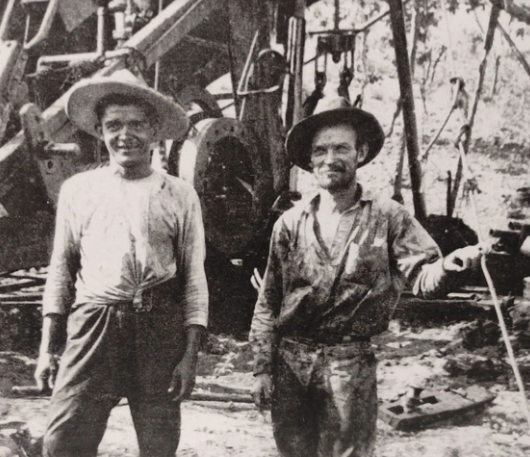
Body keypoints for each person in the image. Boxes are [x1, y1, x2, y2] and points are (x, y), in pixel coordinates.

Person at [249, 97, 482, 457]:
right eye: (320, 150)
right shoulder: (290, 223)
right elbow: (268, 301)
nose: (330, 158)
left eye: (341, 148)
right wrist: (262, 369)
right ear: (310, 160)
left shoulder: (388, 217)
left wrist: (452, 265)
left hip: (349, 365)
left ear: (360, 153)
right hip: (291, 364)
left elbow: (422, 278)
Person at [34, 69, 208, 457]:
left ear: (154, 130)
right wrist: (48, 347)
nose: (125, 135)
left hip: (158, 330)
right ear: (99, 131)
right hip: (94, 325)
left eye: (136, 125)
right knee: (62, 443)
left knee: (159, 445)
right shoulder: (79, 190)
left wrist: (189, 356)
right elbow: (61, 270)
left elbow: (194, 278)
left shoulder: (179, 194)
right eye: (114, 125)